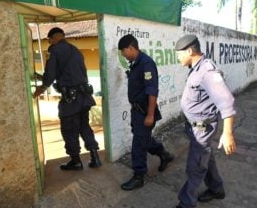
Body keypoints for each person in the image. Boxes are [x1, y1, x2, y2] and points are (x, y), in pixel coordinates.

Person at [173, 35, 236, 208]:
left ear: (189, 51)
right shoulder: (196, 68)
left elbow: (227, 102)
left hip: (202, 128)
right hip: (195, 127)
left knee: (195, 167)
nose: (177, 58)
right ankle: (216, 189)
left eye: (179, 54)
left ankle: (186, 203)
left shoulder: (207, 71)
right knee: (205, 159)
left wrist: (227, 133)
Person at [33, 27, 102, 171]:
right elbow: (68, 73)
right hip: (84, 98)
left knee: (69, 130)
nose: (50, 42)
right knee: (84, 126)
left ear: (53, 38)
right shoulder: (75, 50)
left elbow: (50, 74)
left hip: (71, 100)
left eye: (49, 40)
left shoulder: (54, 50)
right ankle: (95, 157)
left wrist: (41, 88)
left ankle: (75, 161)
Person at [118, 34, 174, 191]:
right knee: (144, 140)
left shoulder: (146, 63)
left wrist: (150, 115)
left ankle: (139, 176)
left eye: (123, 51)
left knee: (138, 145)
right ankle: (164, 155)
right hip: (137, 111)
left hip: (144, 112)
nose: (123, 55)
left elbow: (152, 91)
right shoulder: (135, 63)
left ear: (130, 48)